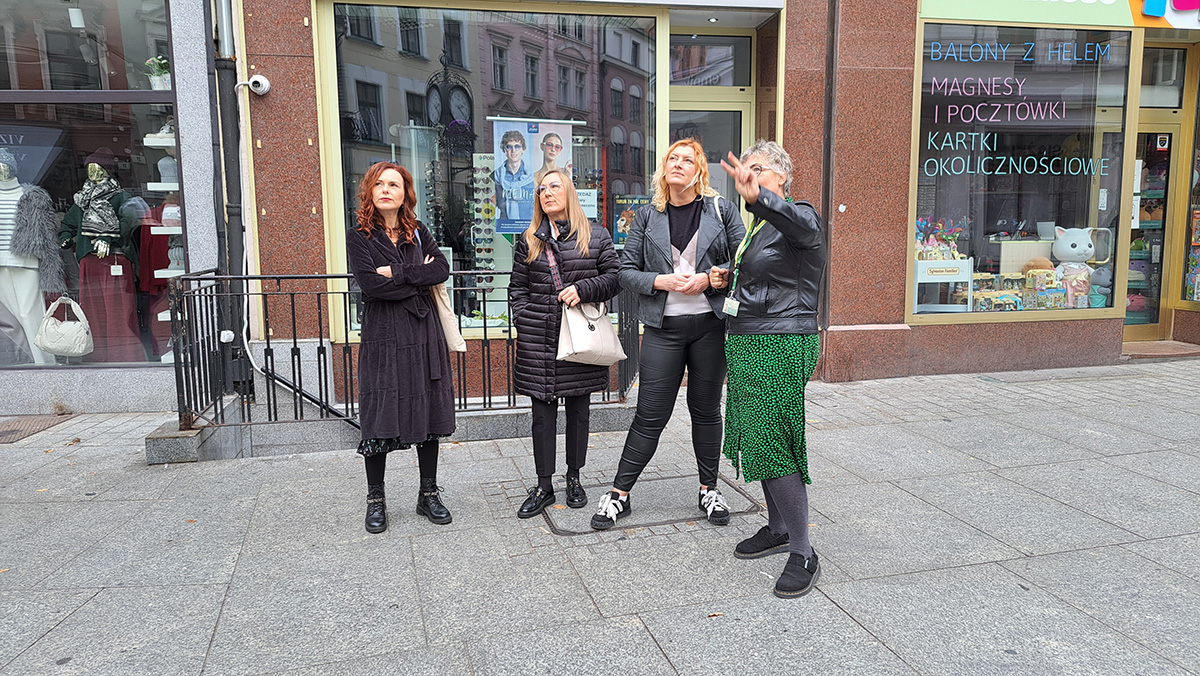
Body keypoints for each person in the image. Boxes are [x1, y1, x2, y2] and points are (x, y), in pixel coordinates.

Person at [590, 138, 745, 530]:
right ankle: (619, 494)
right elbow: (625, 272)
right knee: (650, 413)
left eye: (687, 159)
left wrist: (711, 279)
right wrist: (661, 280)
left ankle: (709, 489)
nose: (678, 163)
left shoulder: (721, 210)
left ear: (699, 170)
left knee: (706, 410)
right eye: (672, 158)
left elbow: (744, 261)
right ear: (664, 168)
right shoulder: (647, 216)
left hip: (709, 329)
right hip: (663, 331)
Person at [710, 141, 824, 599]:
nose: (749, 175)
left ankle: (803, 551)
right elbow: (766, 275)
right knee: (757, 437)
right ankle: (777, 529)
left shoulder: (801, 215)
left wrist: (759, 198)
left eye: (759, 169)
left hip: (780, 342)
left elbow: (798, 225)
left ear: (781, 178)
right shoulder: (759, 227)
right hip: (749, 340)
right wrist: (727, 274)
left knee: (771, 439)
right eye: (747, 169)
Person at [345, 161, 455, 533]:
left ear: (406, 192)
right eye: (379, 184)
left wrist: (397, 272)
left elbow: (441, 269)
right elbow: (370, 285)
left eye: (394, 184)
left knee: (428, 409)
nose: (386, 190)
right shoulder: (359, 236)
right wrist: (416, 279)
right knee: (378, 413)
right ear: (370, 191)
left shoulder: (419, 231)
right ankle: (375, 499)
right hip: (383, 335)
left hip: (423, 332)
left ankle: (428, 494)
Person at [508, 169, 620, 518]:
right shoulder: (529, 239)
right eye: (541, 189)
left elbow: (615, 277)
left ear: (569, 191)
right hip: (539, 341)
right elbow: (517, 289)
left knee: (578, 413)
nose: (546, 193)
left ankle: (574, 478)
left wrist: (582, 290)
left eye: (554, 186)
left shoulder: (595, 235)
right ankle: (544, 486)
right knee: (542, 417)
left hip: (578, 339)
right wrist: (526, 320)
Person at [494, 130, 535, 224]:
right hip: (505, 226)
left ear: (522, 149)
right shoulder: (496, 176)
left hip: (528, 226)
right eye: (509, 147)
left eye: (517, 146)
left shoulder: (532, 176)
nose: (513, 150)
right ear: (504, 150)